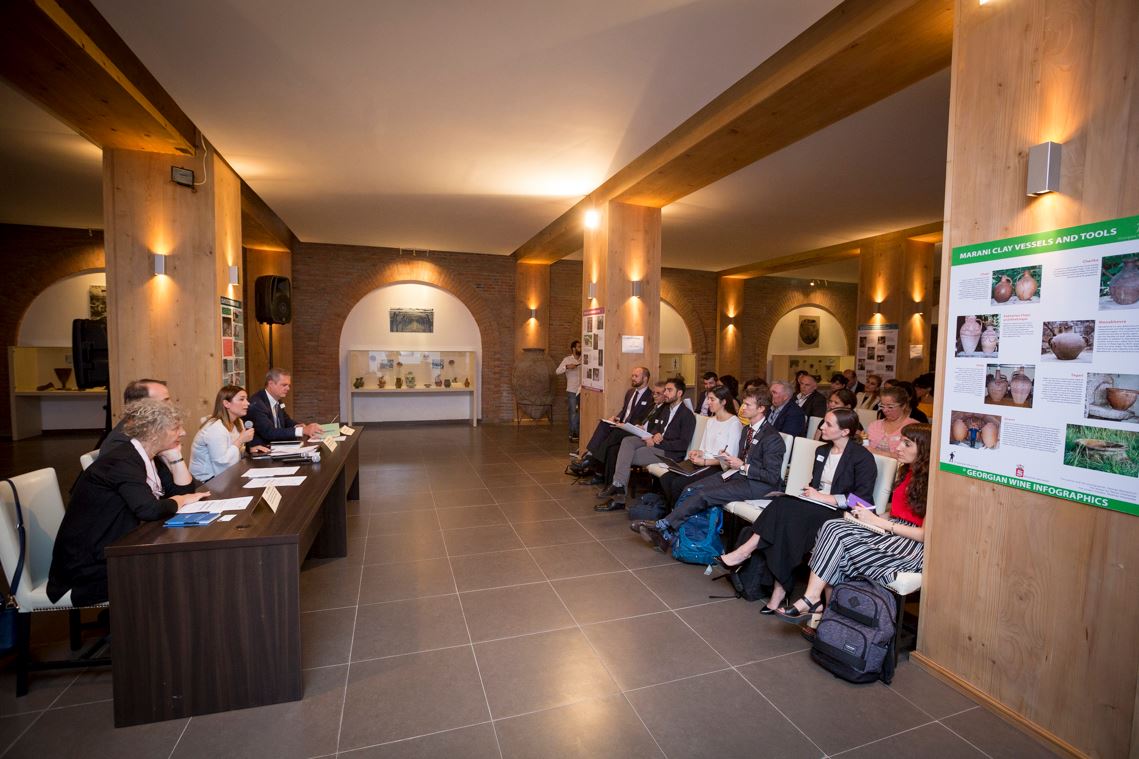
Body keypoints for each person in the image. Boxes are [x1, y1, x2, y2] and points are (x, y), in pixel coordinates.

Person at [48, 399, 209, 606]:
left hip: (115, 546)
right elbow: (149, 510)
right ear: (154, 432)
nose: (184, 432)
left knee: (181, 564)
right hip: (88, 565)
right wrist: (179, 500)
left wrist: (176, 458)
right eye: (175, 428)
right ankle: (145, 625)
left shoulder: (149, 457)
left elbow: (184, 492)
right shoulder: (123, 462)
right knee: (176, 569)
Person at [716, 408, 878, 614]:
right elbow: (816, 484)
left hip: (840, 513)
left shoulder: (862, 457)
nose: (821, 427)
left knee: (784, 510)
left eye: (828, 424)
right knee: (783, 509)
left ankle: (747, 555)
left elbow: (862, 500)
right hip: (815, 506)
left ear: (845, 431)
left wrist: (824, 498)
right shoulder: (822, 451)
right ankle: (778, 589)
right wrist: (811, 492)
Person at [776, 424, 931, 623]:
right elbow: (896, 512)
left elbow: (925, 535)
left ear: (924, 450)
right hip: (891, 531)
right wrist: (869, 516)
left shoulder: (934, 484)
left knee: (837, 544)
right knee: (832, 526)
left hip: (909, 546)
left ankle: (822, 609)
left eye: (907, 444)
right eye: (901, 441)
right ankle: (819, 605)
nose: (899, 447)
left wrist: (877, 521)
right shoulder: (908, 472)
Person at [631, 388, 785, 552]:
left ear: (761, 408)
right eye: (744, 404)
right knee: (691, 488)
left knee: (704, 494)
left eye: (748, 405)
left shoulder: (772, 438)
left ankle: (663, 527)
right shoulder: (748, 430)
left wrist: (741, 466)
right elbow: (743, 458)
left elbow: (771, 476)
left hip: (759, 485)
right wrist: (727, 458)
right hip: (739, 475)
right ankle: (668, 533)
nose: (743, 408)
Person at [596, 378, 696, 510]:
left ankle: (619, 494)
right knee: (627, 441)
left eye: (669, 390)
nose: (665, 393)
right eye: (665, 390)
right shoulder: (666, 409)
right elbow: (656, 428)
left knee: (626, 456)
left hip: (669, 452)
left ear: (679, 393)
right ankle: (618, 486)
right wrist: (654, 435)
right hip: (656, 443)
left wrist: (657, 442)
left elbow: (682, 445)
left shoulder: (687, 415)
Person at [98, 377, 198, 496]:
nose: (171, 405)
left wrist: (176, 456)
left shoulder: (154, 434)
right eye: (165, 401)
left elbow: (182, 491)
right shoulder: (121, 444)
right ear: (142, 407)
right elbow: (143, 502)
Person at [658, 385, 743, 507]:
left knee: (678, 484)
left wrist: (704, 462)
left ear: (723, 402)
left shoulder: (734, 423)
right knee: (666, 478)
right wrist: (697, 452)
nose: (708, 402)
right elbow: (703, 448)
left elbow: (728, 460)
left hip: (717, 467)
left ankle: (677, 514)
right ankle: (672, 511)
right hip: (703, 462)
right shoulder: (711, 420)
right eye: (708, 399)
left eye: (712, 399)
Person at [568, 367, 654, 482]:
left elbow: (643, 419)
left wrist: (625, 424)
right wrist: (616, 418)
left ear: (645, 378)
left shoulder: (650, 396)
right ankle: (590, 457)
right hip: (622, 424)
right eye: (632, 375)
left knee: (612, 438)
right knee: (604, 424)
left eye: (636, 376)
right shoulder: (630, 392)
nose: (633, 378)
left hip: (632, 429)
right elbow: (625, 411)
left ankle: (590, 461)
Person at [190, 385, 269, 481]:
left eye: (246, 399)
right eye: (241, 399)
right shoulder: (215, 428)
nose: (247, 403)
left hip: (227, 475)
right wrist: (240, 440)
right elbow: (222, 463)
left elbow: (232, 451)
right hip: (207, 481)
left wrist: (248, 450)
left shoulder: (238, 422)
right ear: (226, 404)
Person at [247, 368, 324, 447]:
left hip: (278, 446)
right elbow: (269, 432)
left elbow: (286, 420)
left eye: (289, 385)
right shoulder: (257, 404)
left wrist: (298, 426)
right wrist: (302, 431)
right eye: (284, 385)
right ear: (271, 384)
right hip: (263, 449)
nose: (288, 388)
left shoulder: (278, 400)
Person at [866, 385, 918, 456]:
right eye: (882, 406)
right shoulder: (875, 425)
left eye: (890, 407)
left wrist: (877, 452)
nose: (885, 410)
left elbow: (912, 456)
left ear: (903, 406)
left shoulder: (913, 427)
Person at [555, 340, 583, 441]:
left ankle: (578, 432)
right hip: (572, 390)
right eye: (579, 347)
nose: (581, 348)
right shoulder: (567, 359)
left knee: (581, 412)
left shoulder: (584, 359)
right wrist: (567, 367)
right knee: (573, 412)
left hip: (583, 390)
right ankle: (573, 434)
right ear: (573, 349)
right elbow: (557, 371)